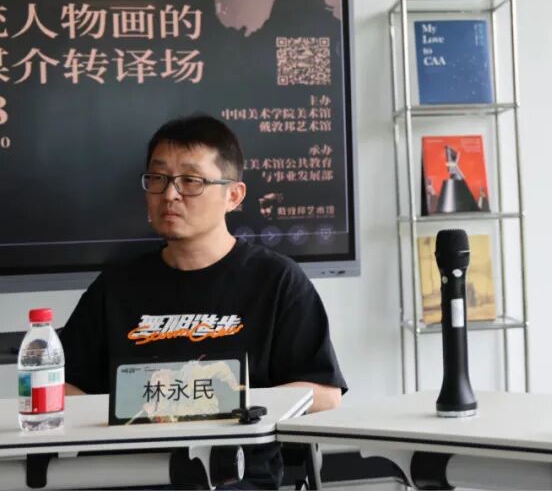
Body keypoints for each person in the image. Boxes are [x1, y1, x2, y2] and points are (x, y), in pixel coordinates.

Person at [61, 114, 348, 488]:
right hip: (128, 474)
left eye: (191, 181)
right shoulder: (115, 286)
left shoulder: (276, 280)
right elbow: (61, 387)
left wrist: (221, 402)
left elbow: (325, 394)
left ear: (234, 195)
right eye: (158, 178)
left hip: (233, 475)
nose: (170, 194)